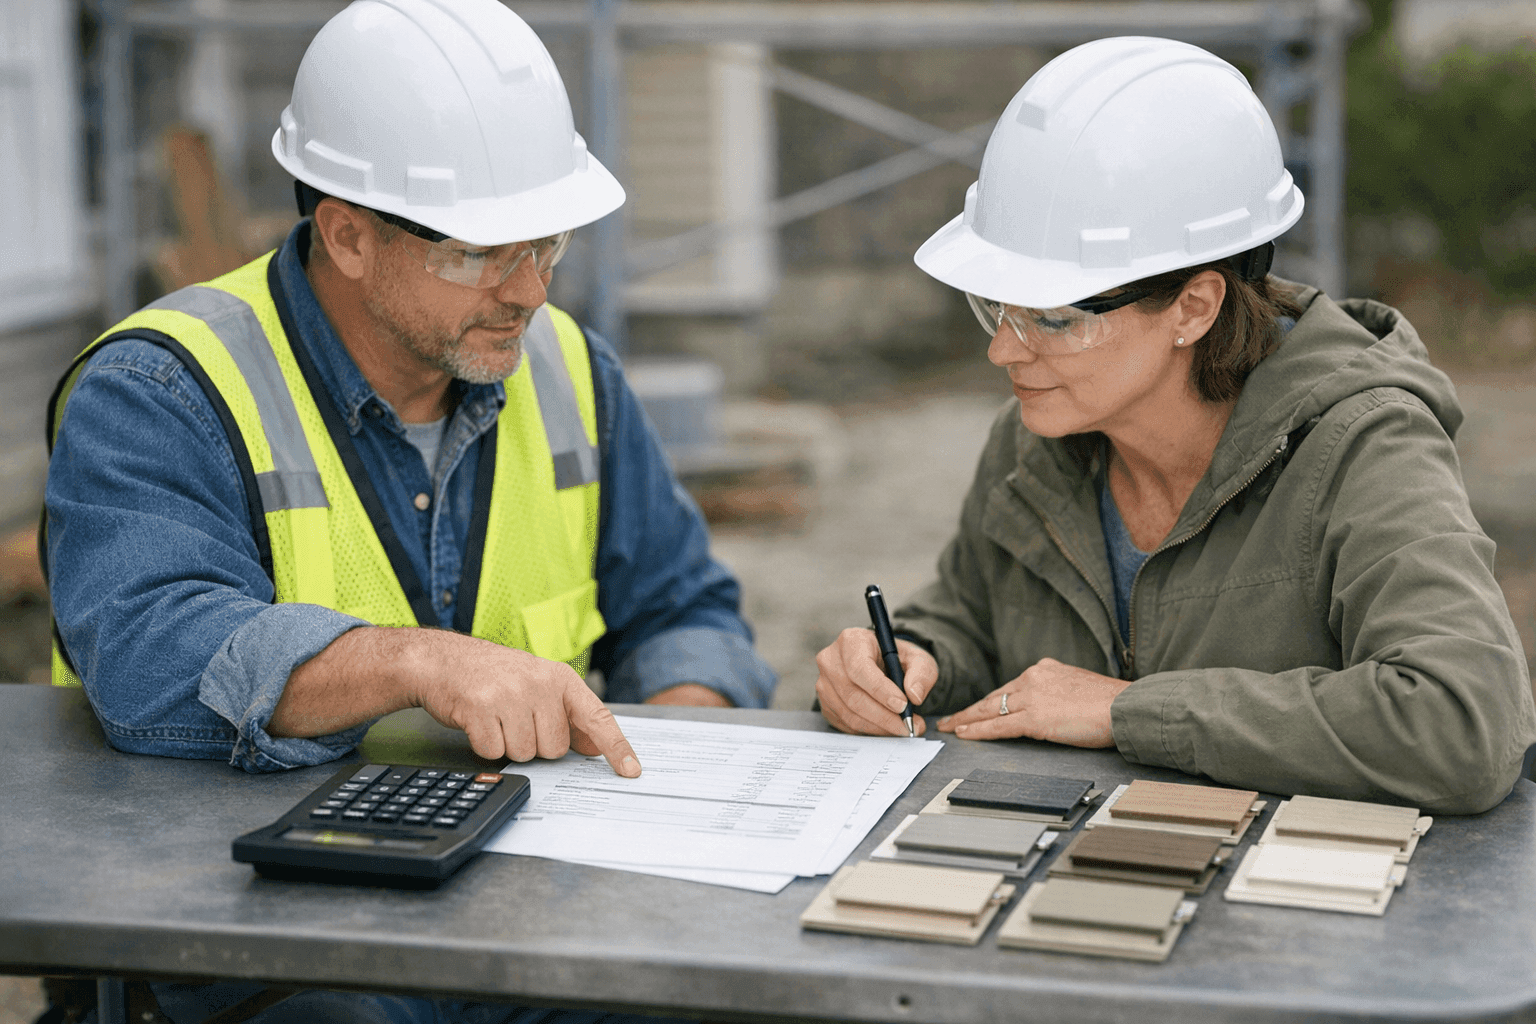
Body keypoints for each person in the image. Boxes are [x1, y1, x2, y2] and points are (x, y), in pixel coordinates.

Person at [43, 3, 774, 1018]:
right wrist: (418, 660)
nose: (530, 288)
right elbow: (149, 656)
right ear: (345, 234)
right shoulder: (161, 390)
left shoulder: (570, 370)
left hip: (524, 910)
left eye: (547, 242)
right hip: (251, 938)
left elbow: (685, 606)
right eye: (483, 251)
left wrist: (684, 733)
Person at [815, 36, 1535, 815]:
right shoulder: (1034, 446)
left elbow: (1463, 722)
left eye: (1051, 318)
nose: (1001, 349)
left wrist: (1128, 710)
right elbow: (971, 619)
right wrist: (908, 663)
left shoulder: (1363, 446)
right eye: (997, 309)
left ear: (1194, 307)